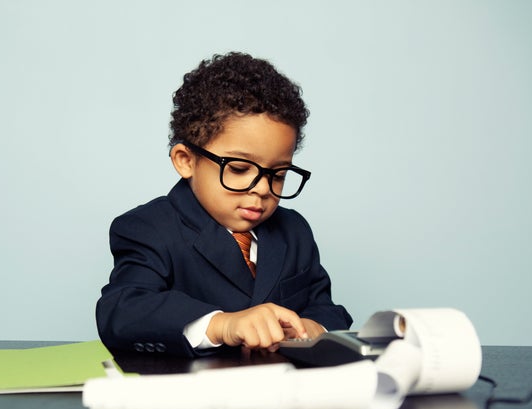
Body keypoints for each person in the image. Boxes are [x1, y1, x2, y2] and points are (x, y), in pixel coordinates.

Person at [96, 52, 353, 357]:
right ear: (186, 160)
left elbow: (327, 308)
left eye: (278, 174)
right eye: (240, 169)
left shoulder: (293, 230)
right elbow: (123, 312)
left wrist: (314, 327)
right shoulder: (148, 228)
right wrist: (222, 325)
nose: (260, 190)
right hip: (193, 394)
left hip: (282, 391)